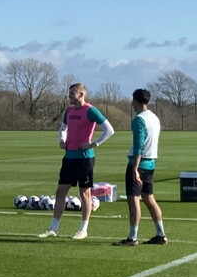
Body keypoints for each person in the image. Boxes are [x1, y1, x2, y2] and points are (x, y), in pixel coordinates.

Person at [38, 83, 115, 240]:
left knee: (84, 193)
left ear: (81, 94)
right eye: (69, 93)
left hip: (85, 158)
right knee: (60, 191)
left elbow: (109, 130)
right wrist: (62, 140)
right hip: (69, 157)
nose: (70, 96)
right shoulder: (69, 111)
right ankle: (53, 227)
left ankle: (83, 229)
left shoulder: (90, 110)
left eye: (73, 93)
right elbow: (63, 128)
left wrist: (94, 144)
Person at [114, 88, 166, 246]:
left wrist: (135, 168)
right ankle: (161, 234)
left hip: (138, 164)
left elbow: (138, 146)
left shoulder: (138, 120)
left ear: (135, 101)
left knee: (133, 200)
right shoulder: (154, 118)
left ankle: (132, 237)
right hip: (151, 163)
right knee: (149, 199)